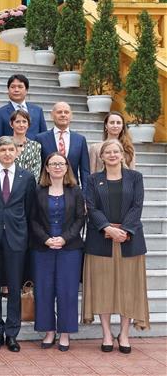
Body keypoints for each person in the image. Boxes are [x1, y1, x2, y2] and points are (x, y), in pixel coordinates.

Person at [83, 139, 149, 353]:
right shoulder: (93, 180)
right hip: (101, 240)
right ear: (101, 157)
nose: (112, 155)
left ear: (122, 155)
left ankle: (124, 334)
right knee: (103, 288)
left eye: (116, 151)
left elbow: (137, 206)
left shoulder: (135, 177)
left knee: (128, 289)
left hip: (129, 240)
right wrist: (107, 228)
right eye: (108, 152)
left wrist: (124, 230)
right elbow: (91, 207)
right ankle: (106, 334)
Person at [0, 136, 36, 353]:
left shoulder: (27, 177)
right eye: (3, 150)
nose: (7, 153)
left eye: (11, 149)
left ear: (17, 152)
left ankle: (11, 333)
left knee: (13, 286)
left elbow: (29, 210)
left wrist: (26, 239)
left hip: (16, 239)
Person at [30, 153, 84, 352]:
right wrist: (45, 238)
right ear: (46, 168)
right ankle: (49, 331)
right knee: (44, 290)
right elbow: (32, 219)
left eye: (61, 164)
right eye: (53, 164)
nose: (57, 167)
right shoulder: (38, 191)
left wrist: (64, 238)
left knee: (67, 291)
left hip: (69, 249)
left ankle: (65, 333)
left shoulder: (75, 191)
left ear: (67, 167)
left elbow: (80, 218)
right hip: (43, 248)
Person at [36, 102, 89, 193]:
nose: (63, 115)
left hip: (72, 190)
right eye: (59, 112)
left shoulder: (80, 139)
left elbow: (85, 170)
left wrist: (85, 194)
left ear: (71, 116)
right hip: (47, 189)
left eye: (66, 112)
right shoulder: (40, 138)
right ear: (52, 115)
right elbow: (37, 168)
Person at [0, 74, 47, 142]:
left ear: (26, 90)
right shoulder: (0, 113)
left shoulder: (37, 111)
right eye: (13, 87)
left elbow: (44, 136)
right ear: (8, 90)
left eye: (20, 87)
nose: (16, 90)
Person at [2, 109, 42, 182]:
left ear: (28, 124)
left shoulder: (36, 146)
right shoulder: (3, 144)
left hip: (28, 186)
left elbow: (36, 172)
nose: (21, 125)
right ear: (11, 124)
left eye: (24, 121)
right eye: (17, 122)